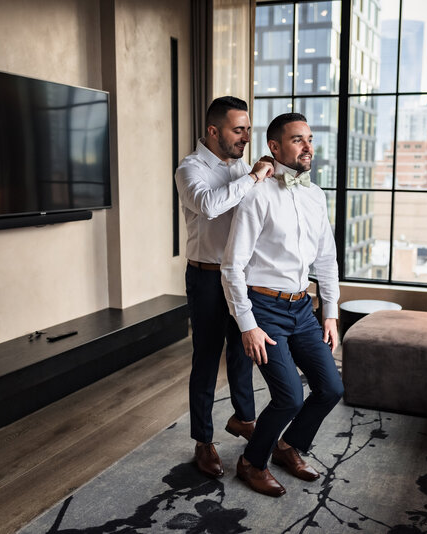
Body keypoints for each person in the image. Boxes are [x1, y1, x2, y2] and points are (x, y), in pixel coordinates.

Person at [220, 112, 344, 497]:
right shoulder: (256, 194)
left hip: (302, 309)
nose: (308, 147)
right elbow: (232, 265)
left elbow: (326, 259)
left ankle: (288, 446)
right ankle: (251, 462)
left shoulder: (315, 194)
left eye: (309, 139)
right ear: (274, 147)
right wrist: (247, 324)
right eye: (297, 140)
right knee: (289, 395)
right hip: (264, 310)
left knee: (330, 388)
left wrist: (330, 313)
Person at [175, 96, 274, 478]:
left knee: (241, 352)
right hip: (206, 277)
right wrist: (252, 179)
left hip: (241, 276)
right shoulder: (190, 169)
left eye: (248, 129)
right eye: (238, 130)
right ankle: (203, 439)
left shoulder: (244, 166)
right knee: (206, 358)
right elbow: (210, 205)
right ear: (214, 131)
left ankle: (244, 418)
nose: (247, 136)